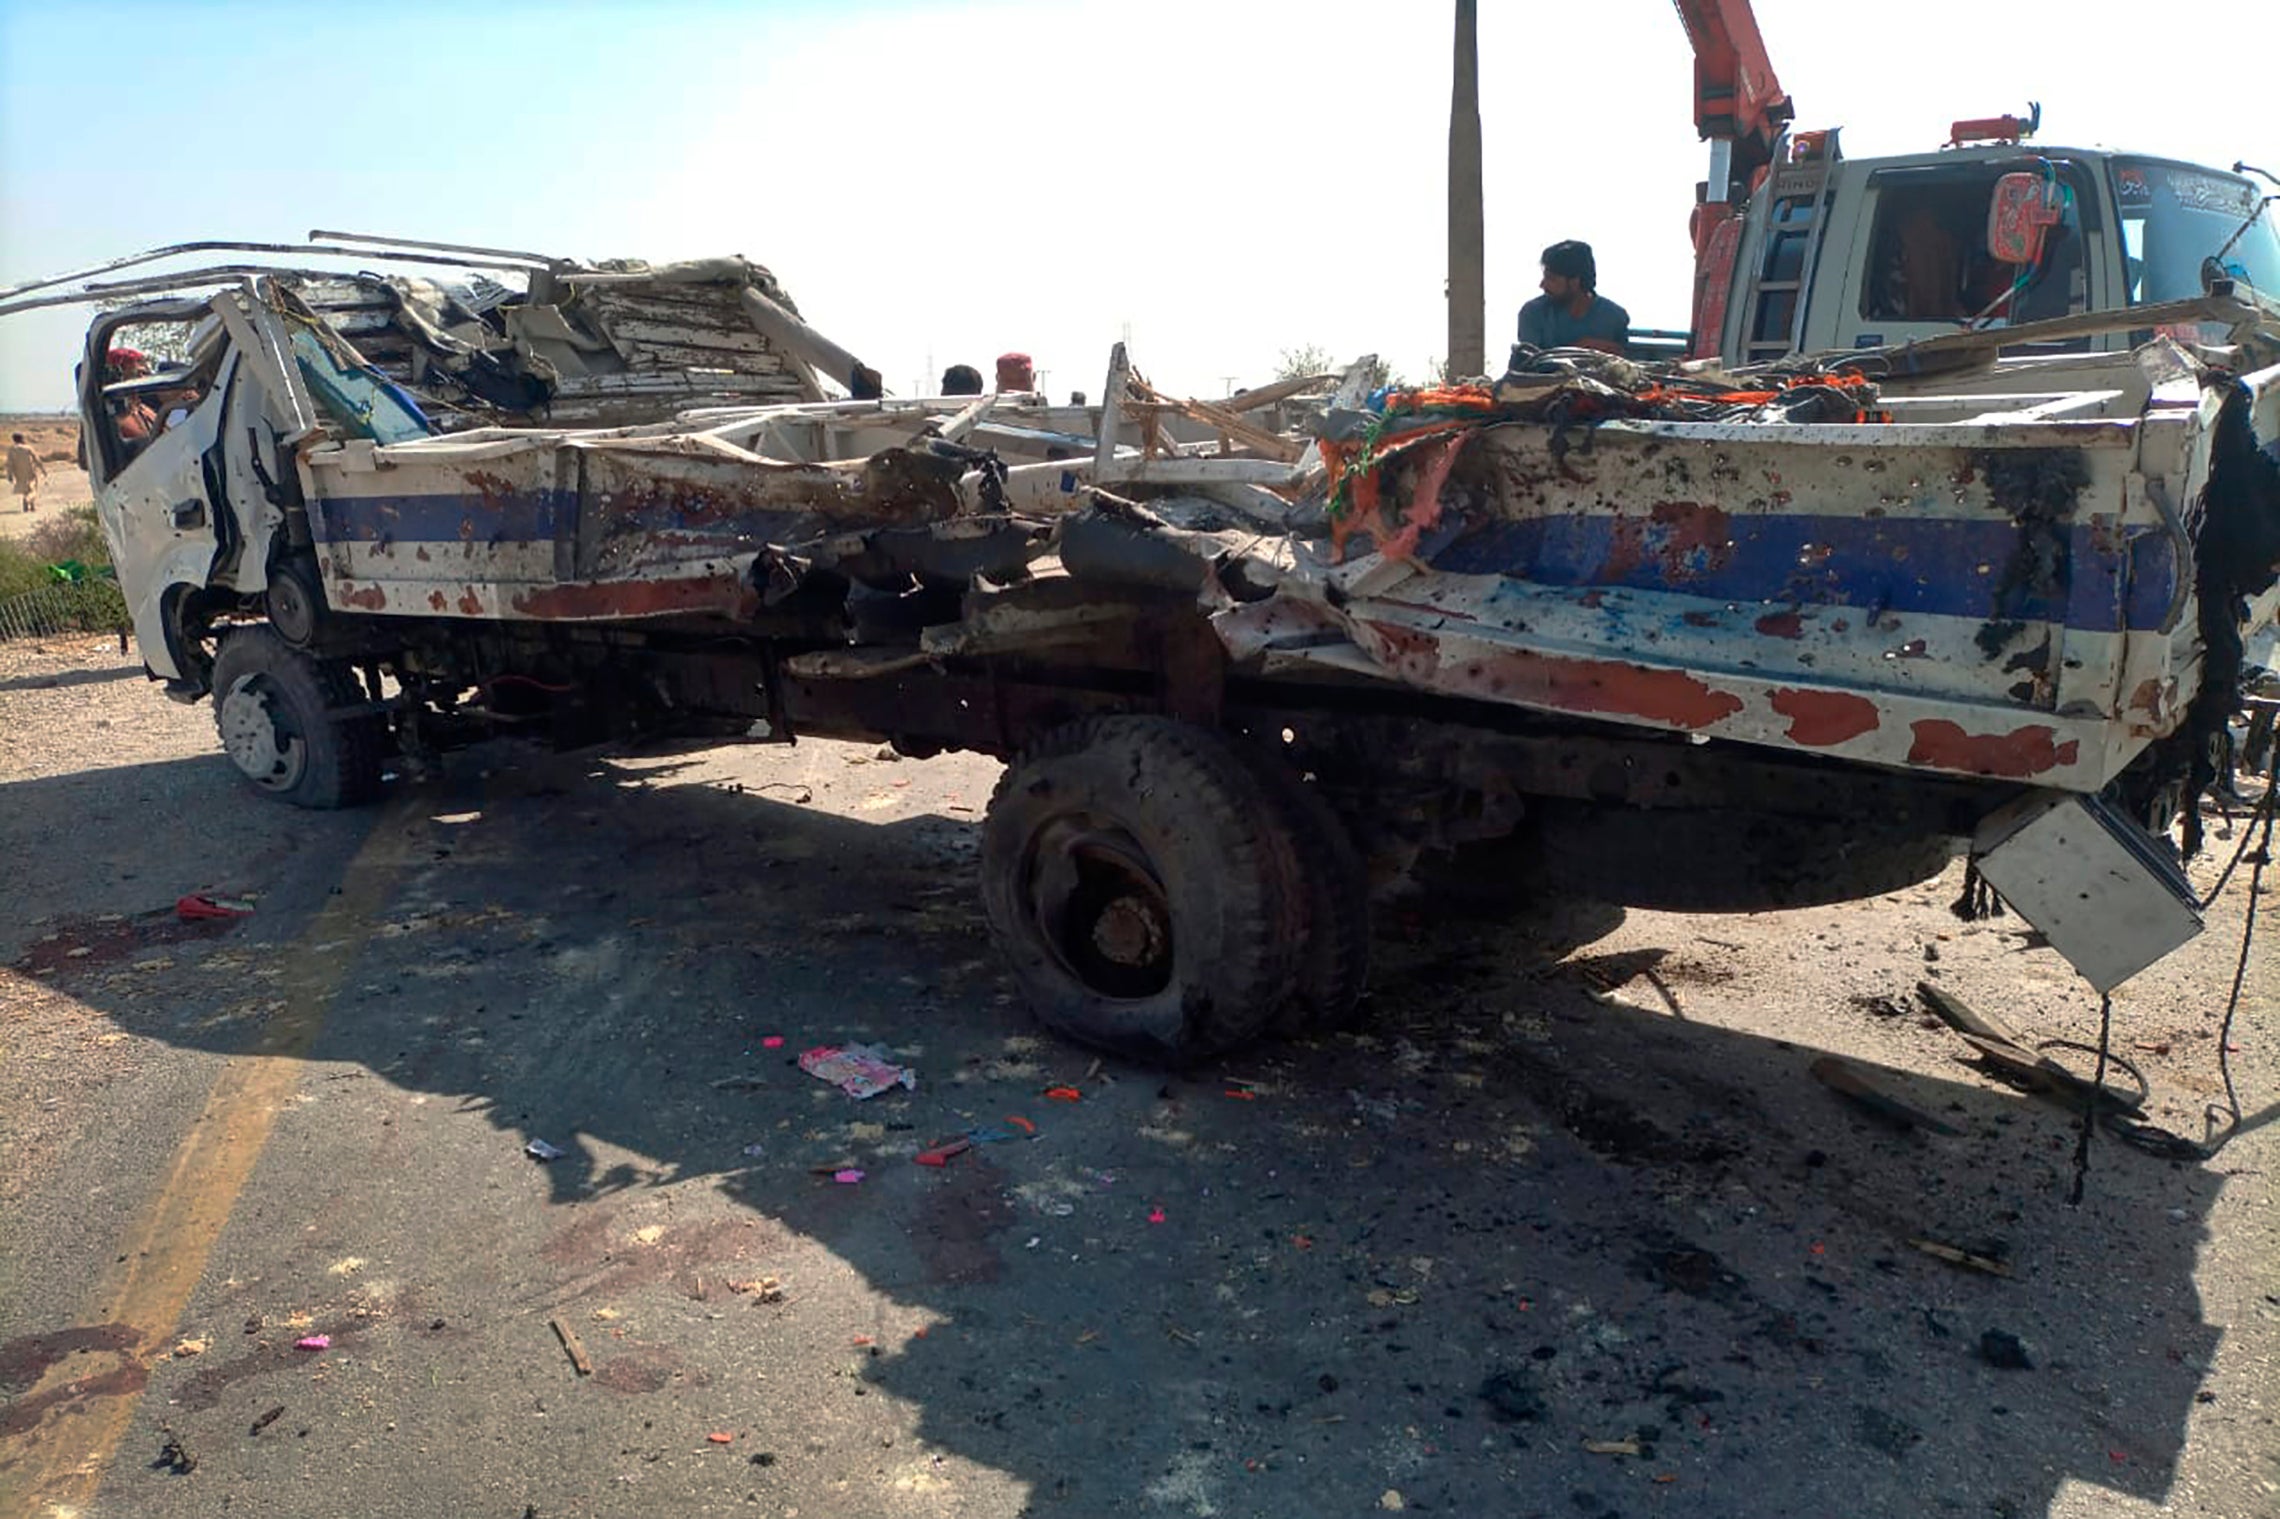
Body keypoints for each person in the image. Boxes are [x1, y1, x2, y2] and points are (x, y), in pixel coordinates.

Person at [1516, 240, 1629, 355]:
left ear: (1575, 282)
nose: (1542, 285)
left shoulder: (1615, 317)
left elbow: (1622, 363)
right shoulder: (1533, 312)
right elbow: (1530, 365)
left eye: (1551, 279)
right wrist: (1579, 349)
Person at [7, 433, 46, 512]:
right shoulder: (28, 448)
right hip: (30, 471)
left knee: (25, 489)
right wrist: (42, 469)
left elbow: (9, 463)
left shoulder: (11, 449)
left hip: (18, 472)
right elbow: (36, 459)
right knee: (33, 489)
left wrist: (10, 474)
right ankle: (28, 500)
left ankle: (31, 506)